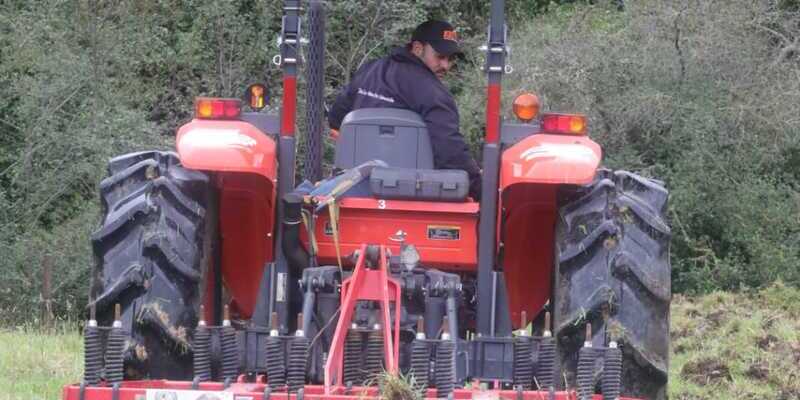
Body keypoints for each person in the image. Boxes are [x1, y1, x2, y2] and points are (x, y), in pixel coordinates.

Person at [328, 20, 482, 200]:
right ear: (417, 48)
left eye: (450, 59)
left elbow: (336, 119)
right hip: (411, 195)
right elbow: (449, 151)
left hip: (352, 191)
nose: (446, 65)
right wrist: (479, 188)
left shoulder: (369, 69)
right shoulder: (434, 93)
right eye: (440, 56)